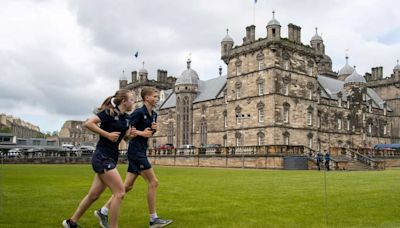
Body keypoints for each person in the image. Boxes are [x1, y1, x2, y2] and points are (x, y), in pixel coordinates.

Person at [96, 87, 172, 228]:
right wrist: (141, 133)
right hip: (135, 151)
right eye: (154, 96)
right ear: (146, 98)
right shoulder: (138, 112)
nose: (157, 98)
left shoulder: (154, 114)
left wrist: (154, 130)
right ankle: (153, 219)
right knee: (153, 182)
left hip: (141, 150)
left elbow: (149, 133)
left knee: (127, 186)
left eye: (157, 96)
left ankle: (103, 210)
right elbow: (127, 128)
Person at [62, 89, 134, 228]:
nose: (133, 102)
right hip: (102, 157)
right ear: (124, 101)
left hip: (111, 157)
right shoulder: (109, 113)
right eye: (131, 99)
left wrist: (130, 135)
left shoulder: (126, 119)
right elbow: (88, 123)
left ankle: (71, 222)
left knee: (93, 195)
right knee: (119, 193)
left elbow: (123, 137)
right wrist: (107, 135)